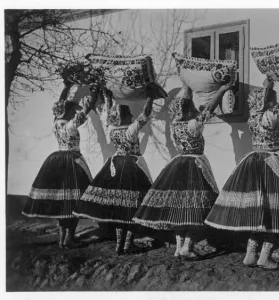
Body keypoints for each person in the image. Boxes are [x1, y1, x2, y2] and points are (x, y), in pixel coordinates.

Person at [205, 76, 279, 269]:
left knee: (259, 213)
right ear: (266, 102)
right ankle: (264, 256)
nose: (275, 101)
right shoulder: (269, 117)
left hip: (253, 161)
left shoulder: (253, 118)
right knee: (274, 212)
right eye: (272, 99)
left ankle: (250, 254)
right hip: (270, 164)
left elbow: (276, 101)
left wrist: (268, 86)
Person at [133, 81, 233, 260]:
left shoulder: (175, 125)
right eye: (191, 107)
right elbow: (209, 109)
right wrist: (222, 90)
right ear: (187, 110)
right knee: (198, 210)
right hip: (194, 167)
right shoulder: (192, 125)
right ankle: (187, 246)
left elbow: (186, 103)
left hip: (177, 166)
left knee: (179, 212)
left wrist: (186, 87)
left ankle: (179, 247)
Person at [73, 84, 155, 255]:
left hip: (115, 166)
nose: (132, 116)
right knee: (132, 207)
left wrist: (108, 97)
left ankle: (119, 244)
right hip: (132, 166)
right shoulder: (131, 130)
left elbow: (108, 115)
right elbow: (145, 114)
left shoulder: (111, 129)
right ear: (125, 116)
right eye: (130, 114)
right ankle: (128, 244)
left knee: (119, 207)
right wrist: (150, 97)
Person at [22, 82, 100, 249]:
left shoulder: (56, 123)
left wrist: (67, 86)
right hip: (72, 162)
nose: (75, 112)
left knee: (63, 202)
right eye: (73, 110)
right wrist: (94, 92)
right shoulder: (71, 126)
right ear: (68, 112)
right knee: (73, 202)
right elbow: (86, 109)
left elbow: (61, 102)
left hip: (57, 160)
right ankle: (69, 238)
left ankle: (62, 238)